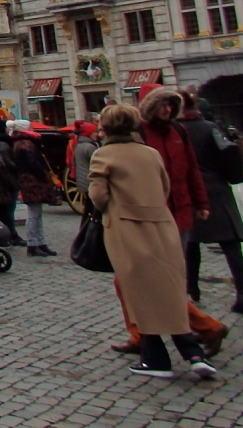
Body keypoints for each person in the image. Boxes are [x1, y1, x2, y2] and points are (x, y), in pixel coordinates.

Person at [89, 103, 216, 380]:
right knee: (169, 290)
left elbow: (98, 197)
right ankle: (193, 354)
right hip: (161, 226)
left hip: (127, 229)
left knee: (138, 293)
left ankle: (157, 359)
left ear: (107, 127)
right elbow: (164, 187)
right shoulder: (151, 153)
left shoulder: (103, 154)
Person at [108, 86, 228, 357]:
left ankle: (206, 327)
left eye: (171, 105)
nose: (168, 110)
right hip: (146, 215)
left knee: (160, 280)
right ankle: (141, 334)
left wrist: (201, 202)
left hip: (176, 214)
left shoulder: (178, 131)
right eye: (163, 105)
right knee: (129, 279)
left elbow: (191, 169)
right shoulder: (137, 134)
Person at [179, 91, 243, 312]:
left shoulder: (176, 130)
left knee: (191, 244)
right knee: (230, 244)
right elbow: (229, 152)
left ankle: (192, 288)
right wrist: (234, 176)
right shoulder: (210, 128)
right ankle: (242, 293)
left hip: (189, 190)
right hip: (216, 188)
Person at [9, 120, 58, 257]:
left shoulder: (24, 142)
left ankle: (40, 242)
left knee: (37, 214)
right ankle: (33, 243)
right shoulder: (25, 144)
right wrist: (43, 175)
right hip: (31, 180)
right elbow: (33, 163)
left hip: (30, 180)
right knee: (33, 214)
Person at [73, 122, 100, 197]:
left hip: (82, 180)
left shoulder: (79, 145)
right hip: (90, 181)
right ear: (89, 133)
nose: (97, 134)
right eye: (95, 132)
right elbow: (97, 164)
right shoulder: (89, 147)